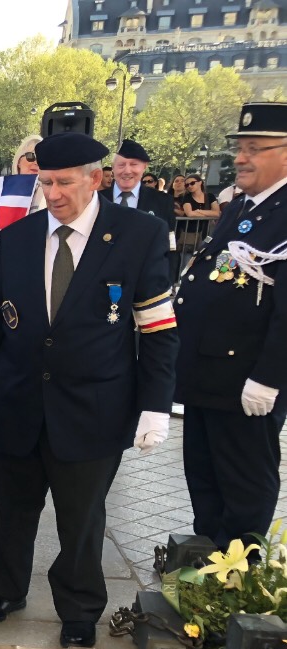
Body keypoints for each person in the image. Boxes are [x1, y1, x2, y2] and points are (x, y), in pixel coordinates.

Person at [0, 132, 178, 649]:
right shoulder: (17, 238)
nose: (53, 194)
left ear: (95, 179)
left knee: (81, 520)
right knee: (12, 512)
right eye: (45, 183)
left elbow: (156, 327)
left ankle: (79, 608)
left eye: (63, 183)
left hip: (93, 409)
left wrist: (155, 406)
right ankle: (7, 590)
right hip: (19, 404)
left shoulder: (138, 234)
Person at [175, 102, 287, 552]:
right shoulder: (243, 205)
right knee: (204, 479)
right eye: (240, 147)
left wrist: (268, 379)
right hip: (208, 376)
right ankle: (206, 568)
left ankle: (237, 579)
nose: (241, 157)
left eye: (254, 148)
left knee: (243, 486)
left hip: (246, 382)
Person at [101, 139, 177, 277]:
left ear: (144, 167)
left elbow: (169, 246)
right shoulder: (96, 199)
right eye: (121, 165)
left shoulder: (162, 201)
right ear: (113, 168)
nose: (127, 170)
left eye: (134, 164)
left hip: (145, 280)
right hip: (101, 281)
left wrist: (167, 282)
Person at [0, 134, 45, 276]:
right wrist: (5, 261)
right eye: (30, 156)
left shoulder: (52, 196)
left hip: (36, 275)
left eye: (41, 157)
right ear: (18, 160)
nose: (36, 162)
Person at [179, 173, 220, 242]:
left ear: (200, 182)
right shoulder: (186, 197)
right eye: (187, 185)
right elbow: (190, 214)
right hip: (190, 232)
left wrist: (198, 211)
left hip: (207, 231)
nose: (189, 186)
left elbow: (217, 213)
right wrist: (209, 214)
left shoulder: (210, 196)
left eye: (192, 183)